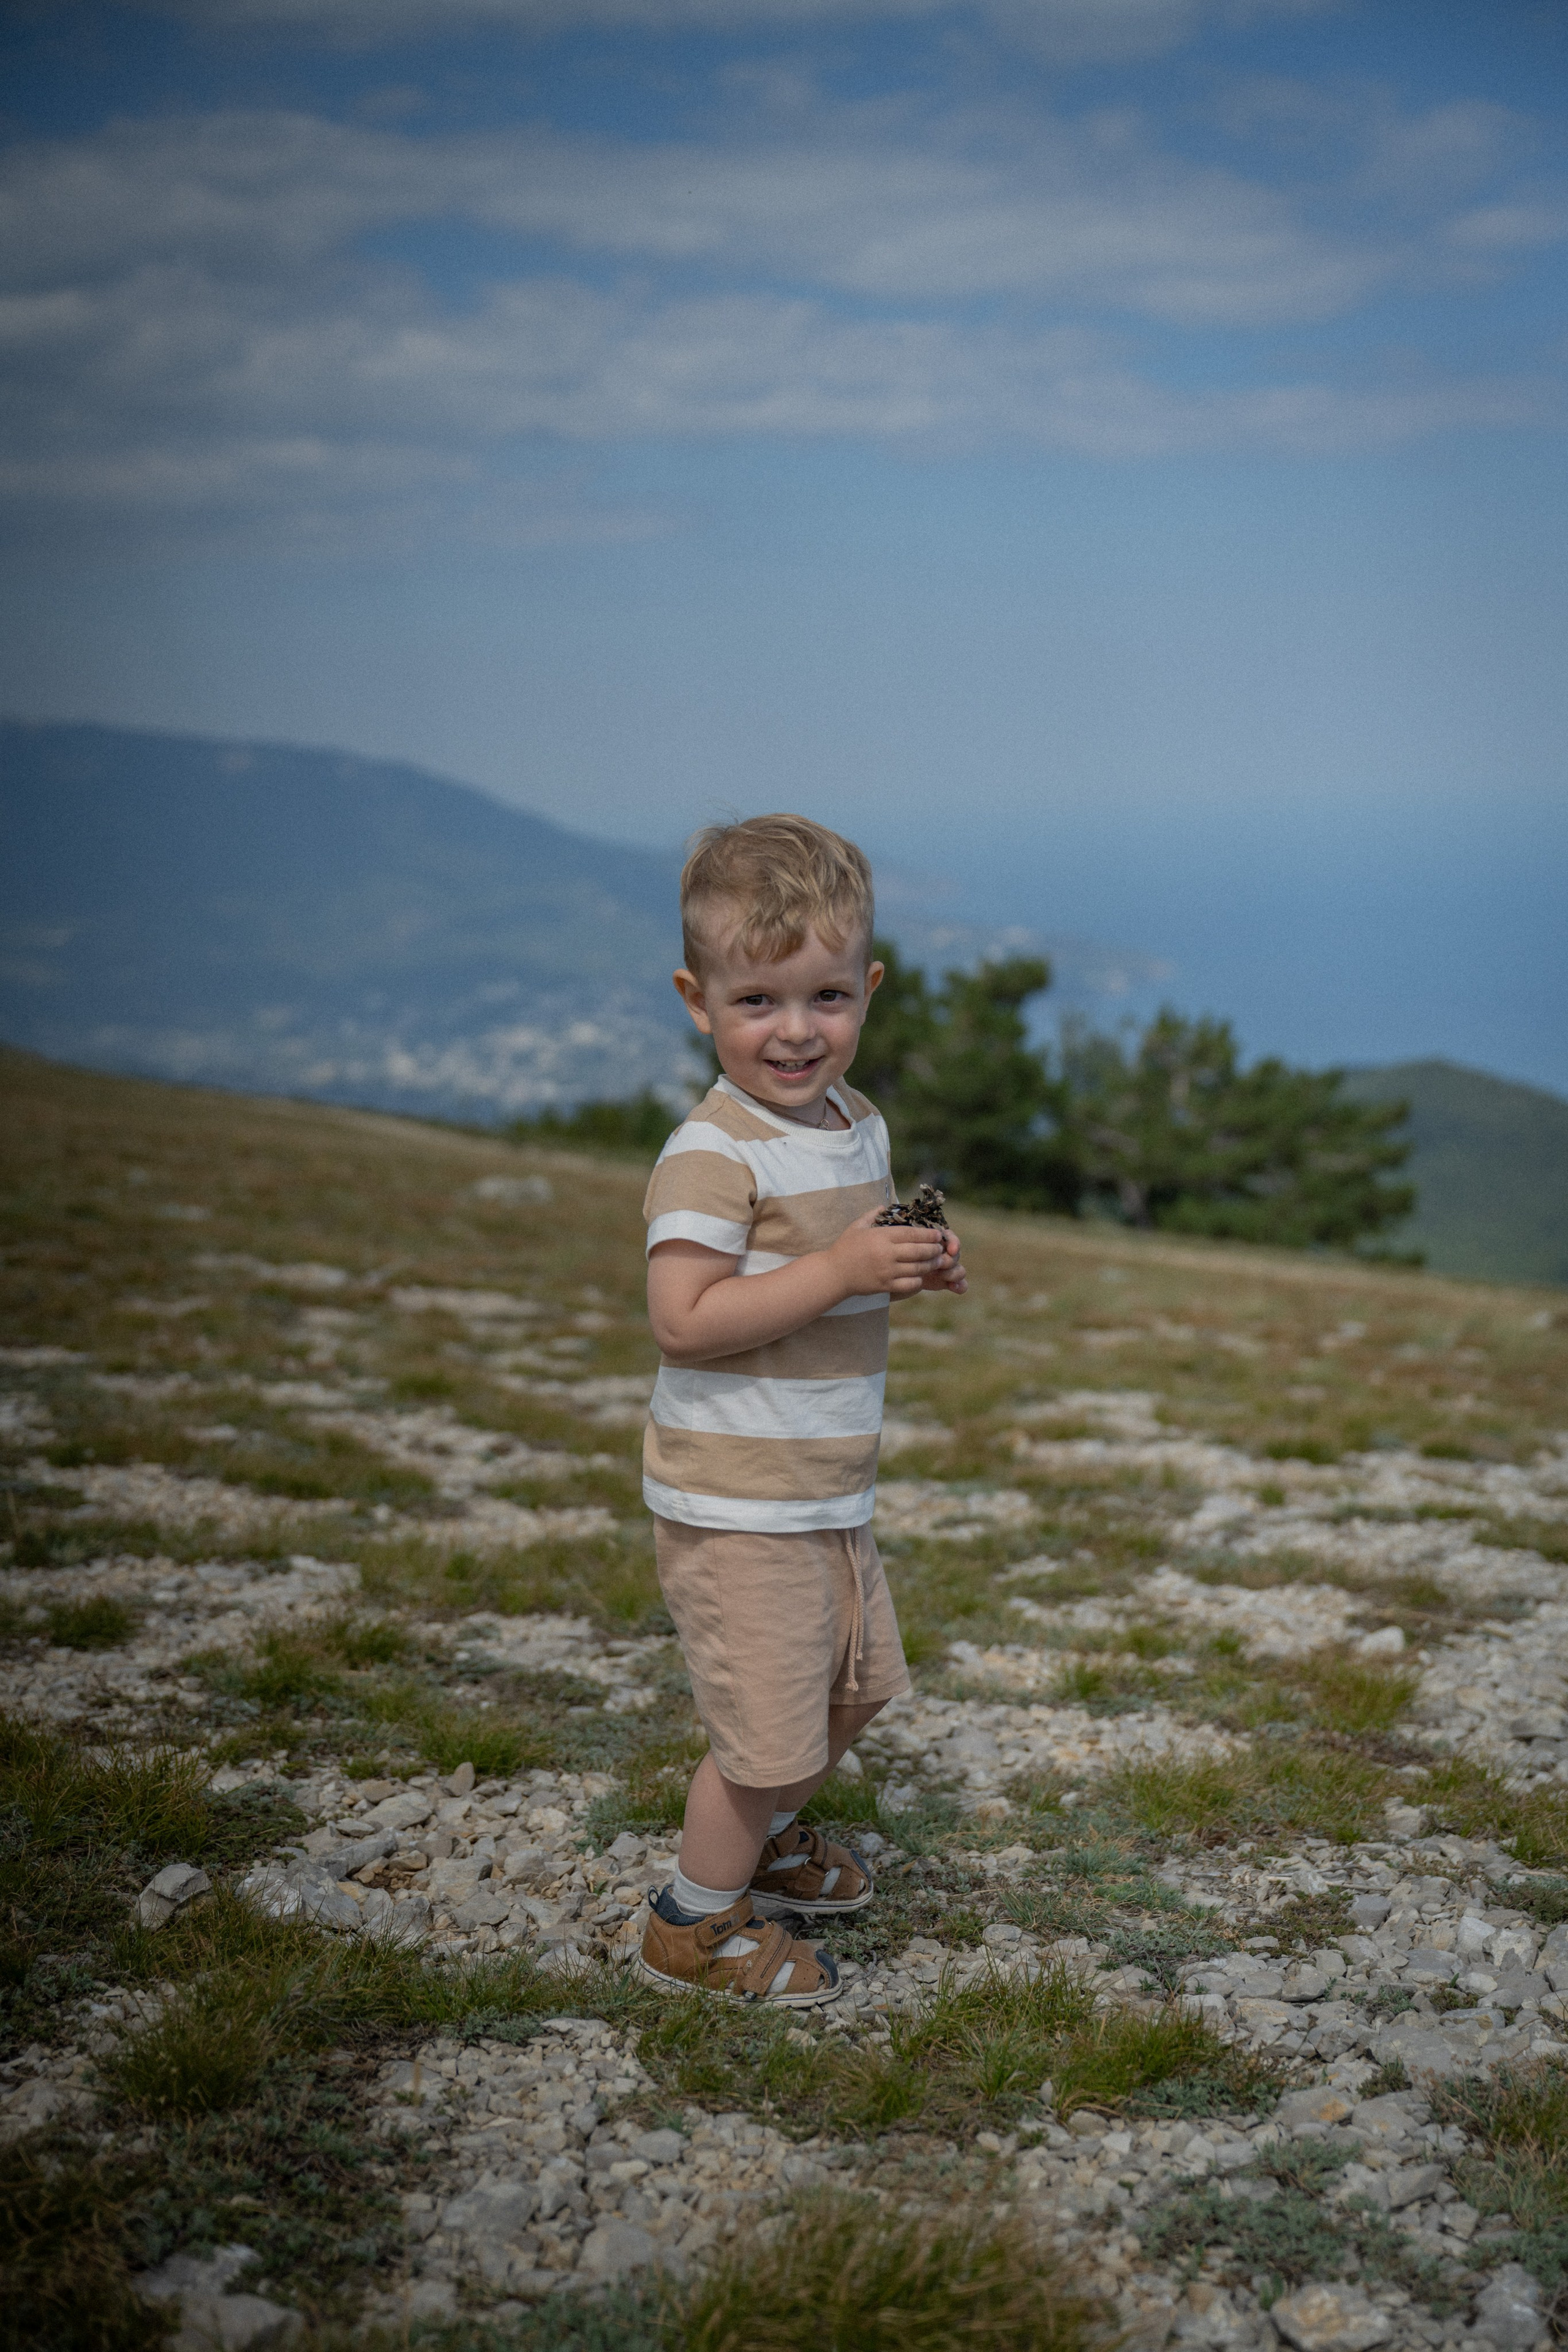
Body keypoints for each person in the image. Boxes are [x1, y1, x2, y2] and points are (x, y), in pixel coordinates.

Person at [636, 814, 967, 2005]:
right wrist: (837, 1272)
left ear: (867, 990)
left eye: (825, 996)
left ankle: (766, 1842)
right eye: (756, 1001)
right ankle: (691, 1922)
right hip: (736, 1498)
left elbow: (845, 1253)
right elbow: (683, 1318)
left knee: (855, 1690)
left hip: (824, 1485)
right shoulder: (712, 1152)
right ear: (698, 1002)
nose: (794, 1030)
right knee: (765, 1736)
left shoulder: (853, 1122)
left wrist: (905, 1261)